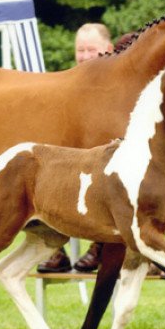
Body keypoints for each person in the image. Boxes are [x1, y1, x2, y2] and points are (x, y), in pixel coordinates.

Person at [37, 23, 114, 273]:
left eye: (91, 49)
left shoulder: (117, 87)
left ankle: (99, 246)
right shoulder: (67, 83)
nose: (85, 56)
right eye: (80, 50)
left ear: (109, 49)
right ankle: (53, 250)